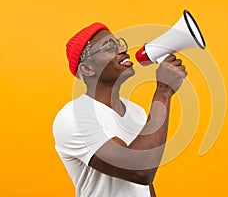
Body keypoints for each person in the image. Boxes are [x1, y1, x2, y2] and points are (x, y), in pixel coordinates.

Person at [53, 22, 187, 197]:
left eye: (119, 43)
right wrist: (163, 91)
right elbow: (139, 171)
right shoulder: (74, 117)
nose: (123, 49)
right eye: (109, 47)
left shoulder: (136, 112)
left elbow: (145, 184)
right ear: (87, 68)